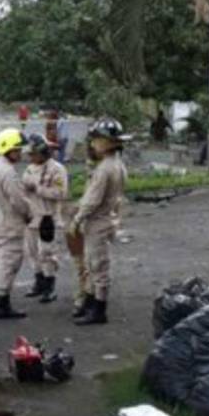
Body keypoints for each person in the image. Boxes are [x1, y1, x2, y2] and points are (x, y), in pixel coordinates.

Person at [69, 118, 129, 326]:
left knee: (98, 266)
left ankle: (99, 310)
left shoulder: (105, 169)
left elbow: (92, 200)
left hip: (98, 221)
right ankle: (91, 304)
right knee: (93, 264)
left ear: (107, 142)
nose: (93, 144)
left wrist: (77, 219)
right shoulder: (117, 165)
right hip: (107, 219)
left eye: (96, 140)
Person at [0, 128, 32, 319]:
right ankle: (3, 304)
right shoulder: (8, 173)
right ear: (8, 149)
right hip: (9, 226)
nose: (20, 154)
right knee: (8, 264)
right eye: (17, 150)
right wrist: (29, 214)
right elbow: (18, 201)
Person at [22, 133, 69, 304]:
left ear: (43, 152)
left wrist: (38, 189)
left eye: (33, 154)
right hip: (31, 217)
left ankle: (50, 286)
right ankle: (39, 282)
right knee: (32, 252)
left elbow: (60, 193)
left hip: (48, 217)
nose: (30, 157)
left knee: (47, 253)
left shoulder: (57, 169)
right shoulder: (29, 168)